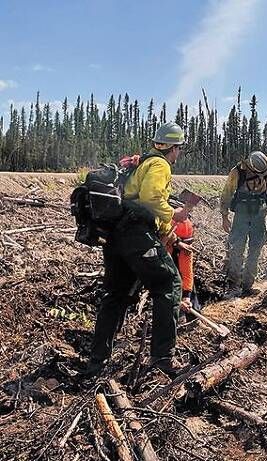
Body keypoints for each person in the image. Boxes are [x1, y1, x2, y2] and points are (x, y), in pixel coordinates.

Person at [85, 122, 189, 377]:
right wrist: (174, 213)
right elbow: (151, 198)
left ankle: (96, 363)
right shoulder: (160, 165)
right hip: (136, 235)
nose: (178, 154)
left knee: (115, 295)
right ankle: (162, 358)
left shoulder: (141, 163)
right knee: (169, 283)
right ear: (174, 148)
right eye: (179, 149)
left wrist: (169, 235)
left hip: (117, 237)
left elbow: (142, 204)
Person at [220, 151, 267, 297]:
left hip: (260, 212)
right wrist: (224, 216)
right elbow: (227, 192)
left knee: (255, 249)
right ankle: (233, 284)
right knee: (237, 248)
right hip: (242, 212)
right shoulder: (238, 171)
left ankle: (248, 286)